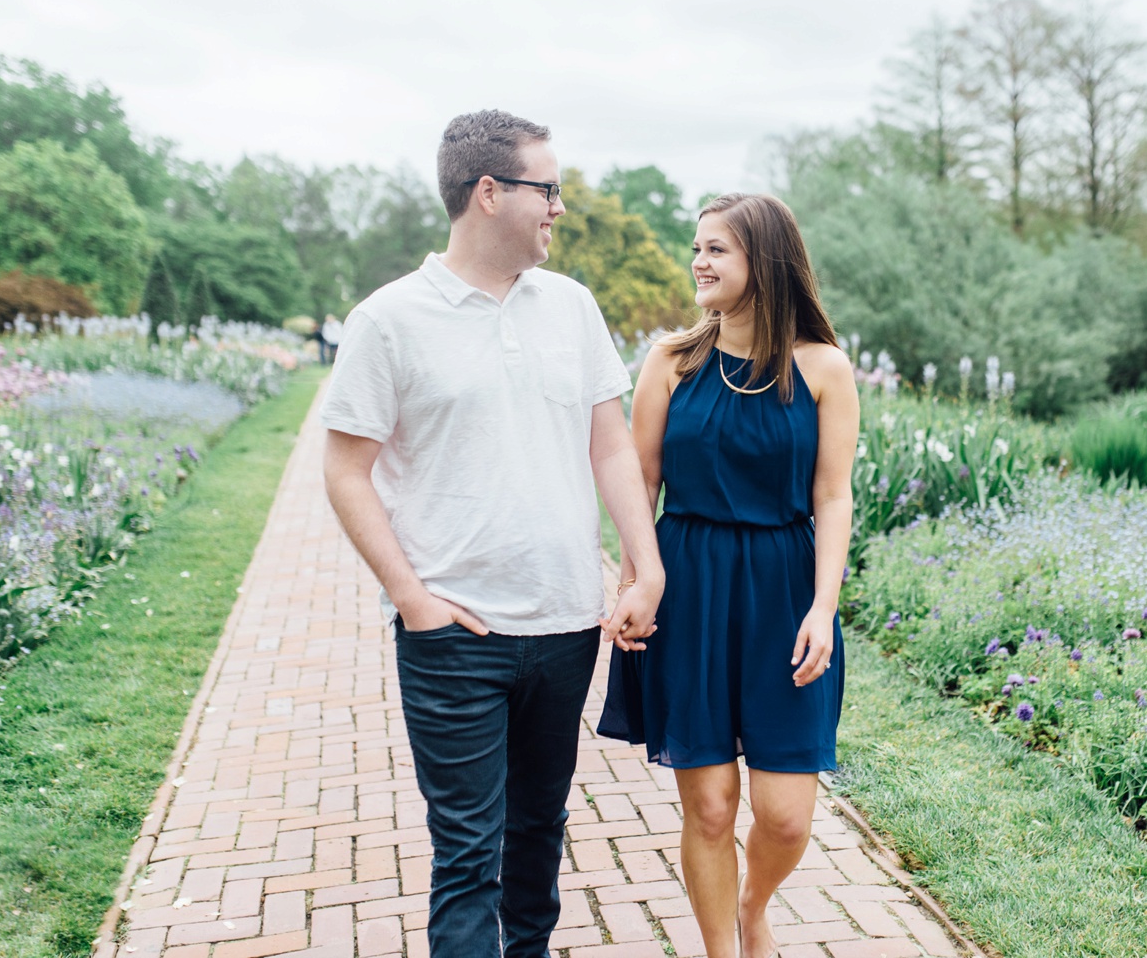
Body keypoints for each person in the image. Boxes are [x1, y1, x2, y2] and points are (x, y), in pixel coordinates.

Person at [320, 109, 665, 958]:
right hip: (455, 635)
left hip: (565, 622)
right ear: (488, 193)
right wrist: (413, 599)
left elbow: (611, 444)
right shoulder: (388, 320)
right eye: (547, 188)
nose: (558, 207)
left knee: (539, 837)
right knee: (469, 855)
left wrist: (642, 567)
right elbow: (342, 468)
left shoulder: (573, 307)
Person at [598, 193, 858, 958]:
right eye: (697, 247)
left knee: (784, 816)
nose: (699, 262)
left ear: (765, 262)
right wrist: (635, 580)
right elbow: (639, 481)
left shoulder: (824, 368)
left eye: (717, 249)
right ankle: (722, 949)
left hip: (784, 593)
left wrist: (823, 606)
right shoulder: (671, 360)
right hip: (692, 587)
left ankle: (754, 905)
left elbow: (833, 495)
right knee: (709, 808)